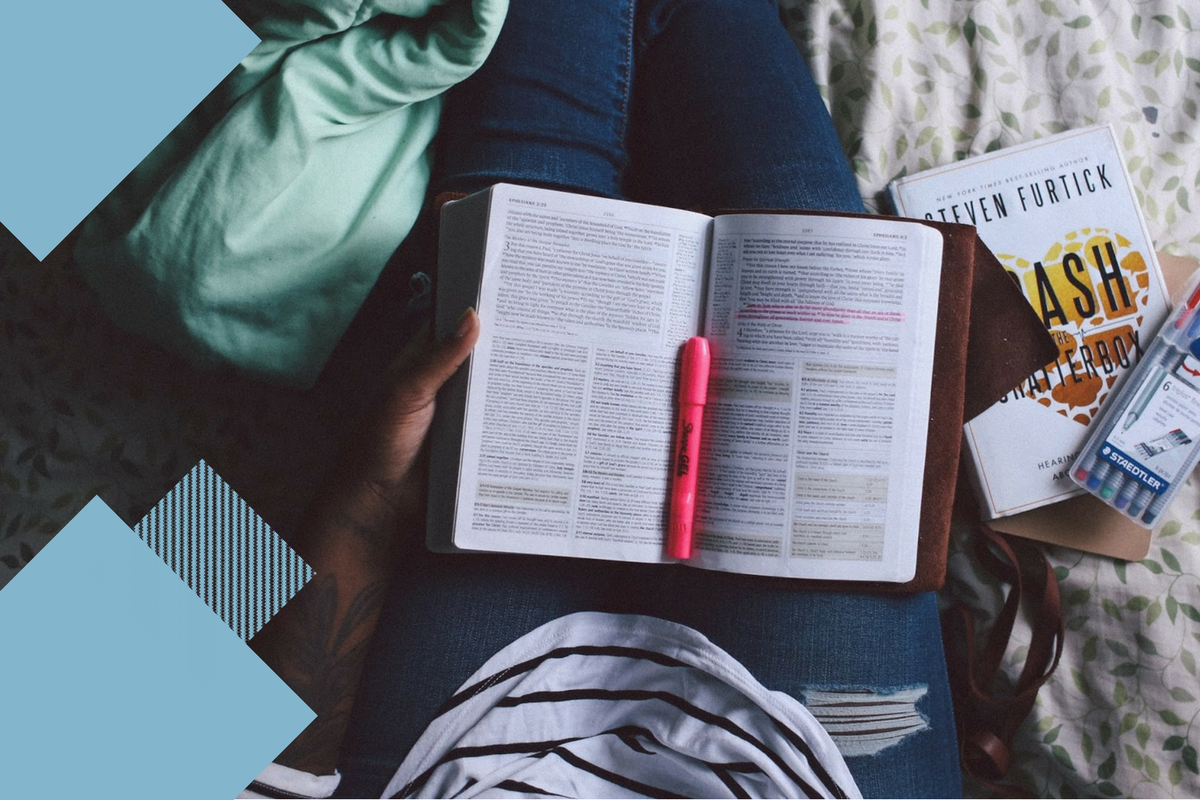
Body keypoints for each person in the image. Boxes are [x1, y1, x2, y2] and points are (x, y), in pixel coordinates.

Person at [245, 0, 963, 797]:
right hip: (807, 770)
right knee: (805, 240)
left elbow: (174, 716)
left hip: (443, 762)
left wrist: (363, 497)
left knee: (515, 214)